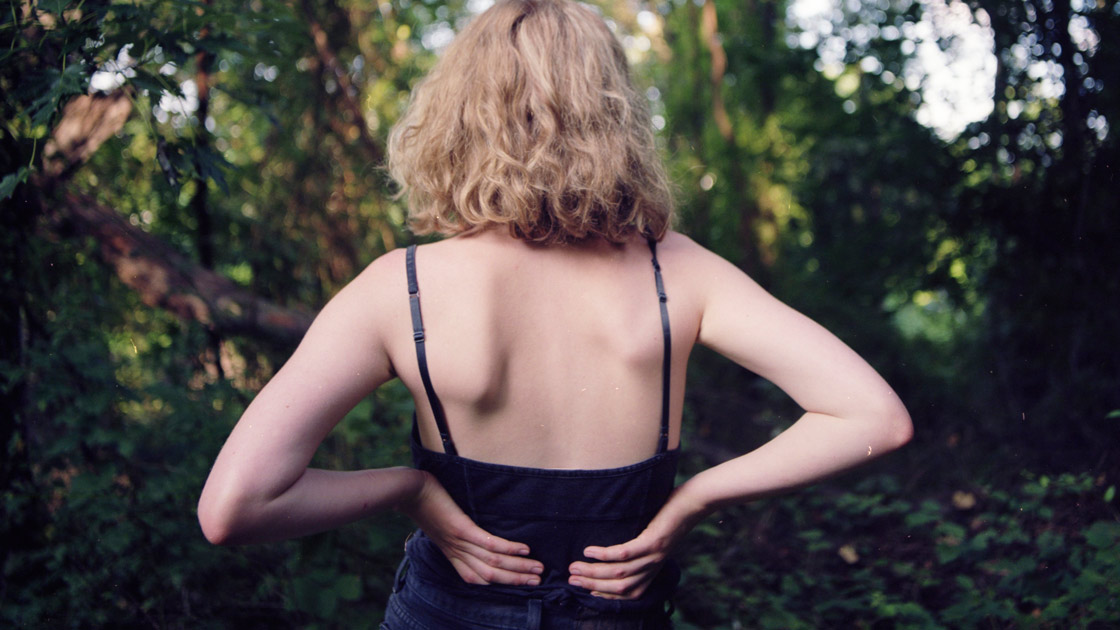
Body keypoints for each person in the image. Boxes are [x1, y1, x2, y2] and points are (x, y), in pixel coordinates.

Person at [197, 0, 913, 627]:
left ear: (460, 113)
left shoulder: (401, 286)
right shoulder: (677, 270)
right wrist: (695, 498)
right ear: (613, 112)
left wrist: (410, 490)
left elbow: (233, 508)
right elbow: (873, 418)